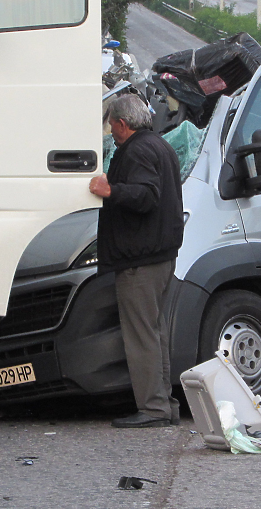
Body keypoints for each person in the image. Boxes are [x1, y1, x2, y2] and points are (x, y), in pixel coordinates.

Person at [89, 94, 184, 428]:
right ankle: (165, 404)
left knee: (141, 335)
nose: (111, 131)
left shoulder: (138, 150)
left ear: (122, 124)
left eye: (112, 125)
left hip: (140, 259)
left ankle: (153, 408)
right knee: (154, 333)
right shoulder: (160, 146)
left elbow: (146, 195)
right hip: (159, 255)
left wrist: (111, 191)